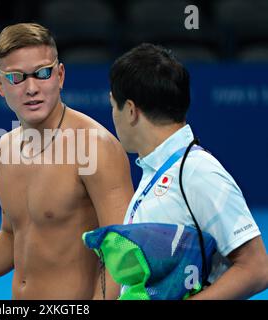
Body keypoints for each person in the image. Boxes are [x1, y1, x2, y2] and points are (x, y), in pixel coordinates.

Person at [0, 23, 134, 300]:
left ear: (60, 75)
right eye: (16, 77)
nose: (31, 88)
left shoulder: (95, 147)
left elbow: (122, 249)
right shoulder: (5, 149)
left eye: (42, 73)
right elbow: (11, 235)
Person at [108, 43, 268, 299]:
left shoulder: (197, 172)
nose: (112, 116)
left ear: (129, 110)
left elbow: (257, 268)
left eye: (113, 106)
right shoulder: (157, 169)